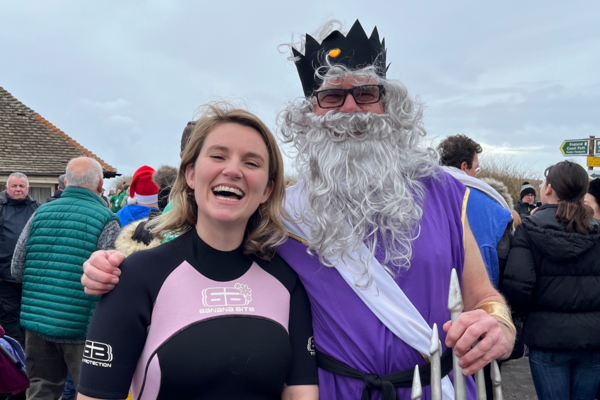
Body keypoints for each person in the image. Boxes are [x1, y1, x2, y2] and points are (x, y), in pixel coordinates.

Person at [81, 20, 515, 399]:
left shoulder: (445, 194)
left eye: (366, 93)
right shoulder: (282, 212)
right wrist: (114, 268)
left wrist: (500, 326)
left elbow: (484, 298)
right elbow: (204, 256)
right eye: (332, 97)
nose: (350, 109)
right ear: (310, 113)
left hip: (436, 387)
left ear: (389, 105)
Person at [77, 105, 318, 400]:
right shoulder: (136, 277)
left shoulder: (288, 282)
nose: (232, 170)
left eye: (252, 163)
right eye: (218, 156)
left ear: (267, 189)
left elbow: (300, 393)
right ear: (190, 174)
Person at [10, 157, 121, 400]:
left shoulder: (40, 212)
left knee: (40, 389)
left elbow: (16, 269)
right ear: (101, 185)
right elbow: (113, 281)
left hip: (36, 324)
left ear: (66, 182)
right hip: (82, 327)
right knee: (89, 393)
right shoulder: (107, 219)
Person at [503, 160, 600, 400]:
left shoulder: (528, 229)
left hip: (547, 337)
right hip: (594, 338)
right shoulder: (597, 231)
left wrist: (526, 318)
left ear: (548, 189)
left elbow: (518, 286)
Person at [438, 135, 513, 288]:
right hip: (480, 302)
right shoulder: (495, 208)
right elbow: (505, 262)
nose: (477, 174)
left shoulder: (414, 196)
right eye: (475, 168)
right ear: (464, 166)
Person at [0, 172, 38, 346]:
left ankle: (29, 354)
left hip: (29, 276)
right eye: (14, 186)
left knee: (29, 316)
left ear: (27, 189)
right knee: (8, 317)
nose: (17, 189)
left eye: (21, 186)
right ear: (6, 188)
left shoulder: (36, 209)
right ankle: (13, 353)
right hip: (4, 276)